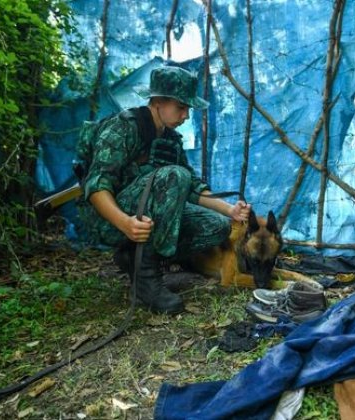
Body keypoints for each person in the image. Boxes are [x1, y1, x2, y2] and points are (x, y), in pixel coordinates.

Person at [75, 66, 250, 315]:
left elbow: (191, 185)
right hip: (110, 220)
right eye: (181, 107)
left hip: (145, 220)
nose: (186, 115)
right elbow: (96, 187)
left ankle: (134, 257)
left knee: (218, 227)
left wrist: (230, 210)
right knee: (174, 174)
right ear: (158, 102)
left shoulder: (170, 139)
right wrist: (125, 223)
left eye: (188, 108)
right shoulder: (122, 128)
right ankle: (146, 280)